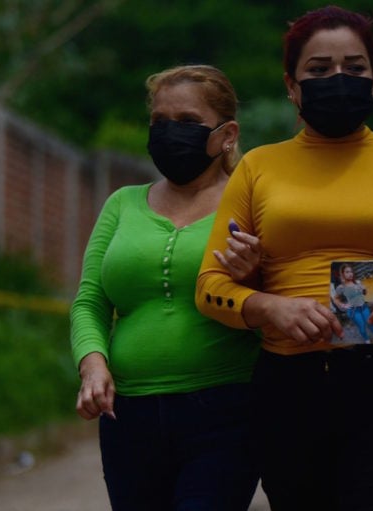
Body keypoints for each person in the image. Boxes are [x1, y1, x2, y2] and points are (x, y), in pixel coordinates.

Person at [196, 6, 373, 511]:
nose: (338, 79)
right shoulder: (258, 167)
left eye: (355, 68)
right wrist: (271, 308)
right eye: (319, 69)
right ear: (292, 85)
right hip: (288, 384)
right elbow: (210, 288)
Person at [70, 64, 262, 511]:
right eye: (160, 123)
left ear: (227, 133)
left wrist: (252, 278)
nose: (170, 133)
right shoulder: (122, 203)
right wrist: (93, 367)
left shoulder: (252, 203)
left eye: (188, 123)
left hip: (224, 411)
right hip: (128, 416)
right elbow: (90, 301)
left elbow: (276, 312)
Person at [332, 263, 373, 342]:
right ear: (343, 274)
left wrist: (364, 290)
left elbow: (364, 293)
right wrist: (342, 305)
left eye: (351, 272)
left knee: (371, 323)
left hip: (364, 307)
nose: (350, 274)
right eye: (347, 272)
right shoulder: (341, 287)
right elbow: (335, 299)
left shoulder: (358, 282)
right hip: (354, 310)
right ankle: (367, 340)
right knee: (362, 327)